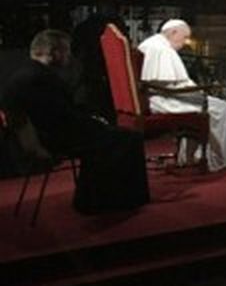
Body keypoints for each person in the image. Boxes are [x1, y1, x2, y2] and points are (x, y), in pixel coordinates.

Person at [2, 29, 150, 213]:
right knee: (130, 138)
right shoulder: (40, 79)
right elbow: (61, 118)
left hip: (43, 136)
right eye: (67, 51)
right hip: (55, 139)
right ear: (55, 52)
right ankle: (112, 201)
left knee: (112, 136)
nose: (69, 57)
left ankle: (95, 198)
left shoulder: (24, 74)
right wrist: (95, 122)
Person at [138, 19, 226, 169]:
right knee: (222, 107)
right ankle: (223, 160)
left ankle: (188, 157)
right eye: (184, 37)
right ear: (173, 32)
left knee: (208, 103)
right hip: (165, 100)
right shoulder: (162, 50)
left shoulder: (151, 43)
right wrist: (200, 90)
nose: (185, 42)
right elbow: (169, 84)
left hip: (158, 97)